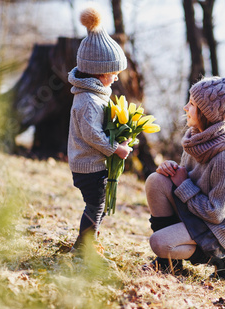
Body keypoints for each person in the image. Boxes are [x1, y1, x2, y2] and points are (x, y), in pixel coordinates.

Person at [144, 66, 225, 280]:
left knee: (159, 243)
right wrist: (171, 170)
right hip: (199, 211)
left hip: (224, 226)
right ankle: (170, 264)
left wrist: (182, 183)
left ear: (208, 114)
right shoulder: (197, 139)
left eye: (192, 105)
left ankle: (224, 258)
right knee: (156, 181)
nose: (185, 107)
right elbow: (186, 178)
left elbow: (216, 213)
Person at [68, 5, 132, 253]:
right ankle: (84, 249)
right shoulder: (89, 101)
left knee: (99, 204)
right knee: (95, 205)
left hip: (91, 163)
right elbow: (92, 134)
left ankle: (87, 243)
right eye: (113, 73)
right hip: (88, 165)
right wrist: (115, 148)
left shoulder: (93, 95)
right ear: (98, 72)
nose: (116, 77)